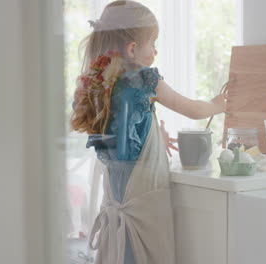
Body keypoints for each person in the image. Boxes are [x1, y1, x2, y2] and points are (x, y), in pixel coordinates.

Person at [71, 1, 227, 263]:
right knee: (145, 246)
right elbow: (190, 108)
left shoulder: (99, 82)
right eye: (153, 43)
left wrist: (154, 134)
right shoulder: (143, 78)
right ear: (132, 49)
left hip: (116, 184)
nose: (155, 51)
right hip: (143, 188)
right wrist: (217, 105)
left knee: (125, 247)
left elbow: (120, 133)